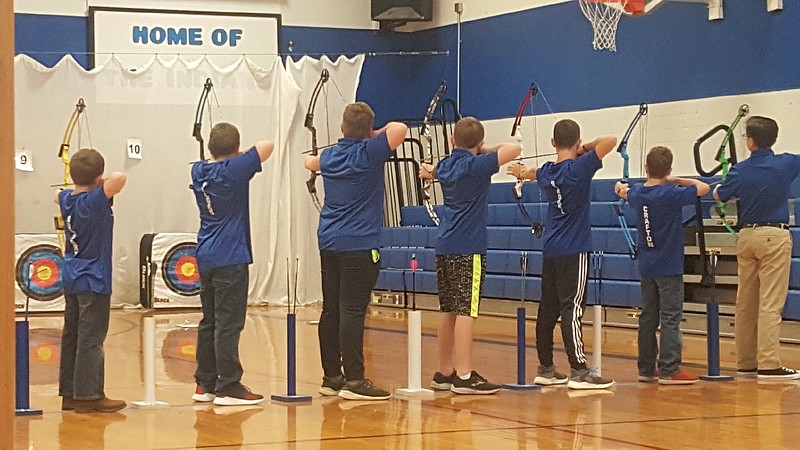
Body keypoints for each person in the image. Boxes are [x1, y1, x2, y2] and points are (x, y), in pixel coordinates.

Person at [305, 102, 408, 400]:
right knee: (352, 310)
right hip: (360, 244)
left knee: (331, 308)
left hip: (329, 241)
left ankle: (331, 377)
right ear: (367, 129)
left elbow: (309, 163)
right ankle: (355, 379)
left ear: (341, 127)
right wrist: (374, 133)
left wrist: (361, 134)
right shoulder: (370, 151)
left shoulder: (330, 155)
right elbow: (400, 128)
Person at [507, 120, 616, 389]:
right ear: (576, 142)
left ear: (553, 143)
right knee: (572, 308)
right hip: (575, 249)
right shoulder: (580, 168)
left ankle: (546, 368)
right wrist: (584, 148)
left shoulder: (547, 172)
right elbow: (610, 140)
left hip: (552, 248)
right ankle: (579, 370)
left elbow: (533, 173)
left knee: (549, 308)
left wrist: (521, 172)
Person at [420, 117, 521, 394]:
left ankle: (443, 372)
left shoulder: (446, 164)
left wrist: (472, 149)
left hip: (445, 245)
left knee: (449, 310)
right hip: (469, 247)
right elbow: (513, 149)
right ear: (477, 143)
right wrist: (483, 150)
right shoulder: (477, 165)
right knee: (466, 310)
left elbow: (433, 171)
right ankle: (463, 375)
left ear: (453, 141)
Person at [191, 123, 274, 405]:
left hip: (206, 254)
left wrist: (232, 152)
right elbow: (266, 146)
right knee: (228, 324)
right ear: (236, 150)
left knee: (210, 322)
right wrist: (240, 154)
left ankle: (205, 384)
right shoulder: (234, 171)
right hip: (230, 256)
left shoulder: (198, 170)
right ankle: (228, 385)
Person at [714, 116, 800, 380]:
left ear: (750, 142)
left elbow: (719, 195)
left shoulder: (740, 169)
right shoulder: (786, 163)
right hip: (774, 236)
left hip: (747, 236)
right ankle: (769, 363)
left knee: (746, 303)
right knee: (770, 302)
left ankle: (746, 360)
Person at [616, 146, 709, 385]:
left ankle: (646, 368)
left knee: (648, 317)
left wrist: (622, 188)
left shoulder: (637, 194)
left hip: (647, 267)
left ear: (646, 168)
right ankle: (669, 368)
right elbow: (703, 188)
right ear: (667, 170)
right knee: (670, 317)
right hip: (668, 266)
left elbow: (622, 190)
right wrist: (674, 178)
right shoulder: (671, 194)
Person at [57, 148, 127, 413]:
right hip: (93, 279)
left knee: (72, 335)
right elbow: (119, 178)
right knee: (91, 338)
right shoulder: (94, 200)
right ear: (97, 177)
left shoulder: (67, 199)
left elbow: (57, 194)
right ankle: (88, 396)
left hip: (73, 277)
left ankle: (70, 393)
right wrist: (100, 181)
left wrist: (89, 179)